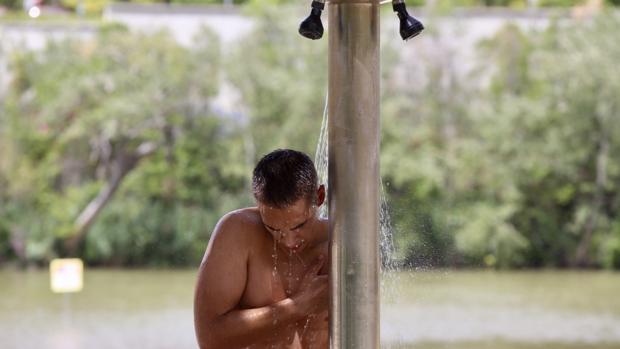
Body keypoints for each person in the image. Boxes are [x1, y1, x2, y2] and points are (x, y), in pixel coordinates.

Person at [194, 149, 329, 349]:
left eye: (299, 226)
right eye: (273, 228)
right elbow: (209, 339)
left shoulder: (341, 242)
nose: (288, 241)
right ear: (259, 205)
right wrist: (297, 306)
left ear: (319, 197)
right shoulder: (238, 232)